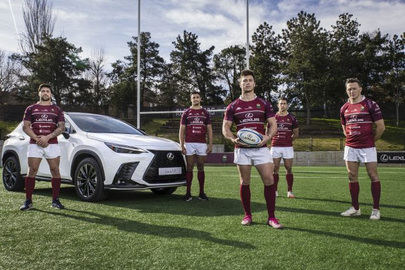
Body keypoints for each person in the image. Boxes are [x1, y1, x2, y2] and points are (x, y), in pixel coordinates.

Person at [222, 69, 283, 229]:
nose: (247, 83)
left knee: (269, 180)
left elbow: (273, 125)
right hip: (242, 149)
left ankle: (271, 217)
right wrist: (232, 138)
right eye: (244, 80)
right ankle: (248, 215)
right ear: (240, 84)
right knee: (245, 182)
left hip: (261, 149)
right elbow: (225, 128)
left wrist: (267, 137)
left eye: (250, 80)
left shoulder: (264, 103)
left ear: (254, 83)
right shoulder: (233, 106)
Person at [340, 78, 385, 220]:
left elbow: (381, 127)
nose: (351, 91)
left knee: (373, 175)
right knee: (351, 176)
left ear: (360, 89)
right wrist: (350, 139)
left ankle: (376, 209)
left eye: (354, 88)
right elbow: (344, 128)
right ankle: (355, 208)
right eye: (349, 89)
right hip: (350, 147)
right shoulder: (344, 108)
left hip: (368, 147)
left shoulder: (370, 104)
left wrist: (371, 141)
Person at [20, 83, 66, 211]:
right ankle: (28, 201)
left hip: (52, 144)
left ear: (51, 94)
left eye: (48, 91)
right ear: (39, 93)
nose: (45, 93)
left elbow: (61, 127)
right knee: (32, 170)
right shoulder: (31, 108)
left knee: (55, 170)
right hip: (35, 144)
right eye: (43, 91)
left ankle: (55, 201)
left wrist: (47, 137)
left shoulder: (57, 109)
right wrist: (37, 139)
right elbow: (25, 126)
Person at [179, 91, 213, 201]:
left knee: (201, 167)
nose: (195, 99)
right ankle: (188, 193)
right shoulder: (186, 113)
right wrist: (181, 144)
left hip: (202, 143)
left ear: (200, 99)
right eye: (193, 97)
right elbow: (182, 130)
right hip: (189, 143)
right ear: (191, 99)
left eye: (197, 97)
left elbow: (209, 129)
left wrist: (210, 144)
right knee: (189, 167)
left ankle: (201, 193)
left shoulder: (205, 113)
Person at [270, 97, 299, 198]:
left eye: (284, 103)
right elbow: (267, 132)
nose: (282, 105)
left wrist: (289, 140)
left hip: (287, 147)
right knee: (275, 168)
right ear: (278, 105)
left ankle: (289, 191)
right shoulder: (273, 117)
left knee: (289, 168)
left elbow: (296, 133)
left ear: (287, 105)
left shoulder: (292, 118)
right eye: (281, 103)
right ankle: (275, 191)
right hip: (275, 146)